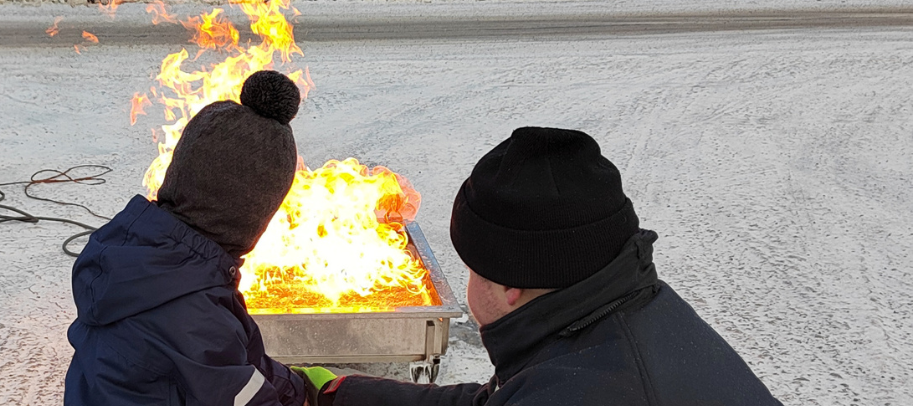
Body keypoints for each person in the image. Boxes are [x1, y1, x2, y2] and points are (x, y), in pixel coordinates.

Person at [297, 127, 781, 406]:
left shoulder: (587, 389)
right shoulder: (619, 321)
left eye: (470, 266)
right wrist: (347, 394)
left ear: (508, 284)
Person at [64, 70, 308, 406]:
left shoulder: (138, 257)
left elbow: (238, 364)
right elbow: (241, 391)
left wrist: (298, 387)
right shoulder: (196, 316)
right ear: (249, 218)